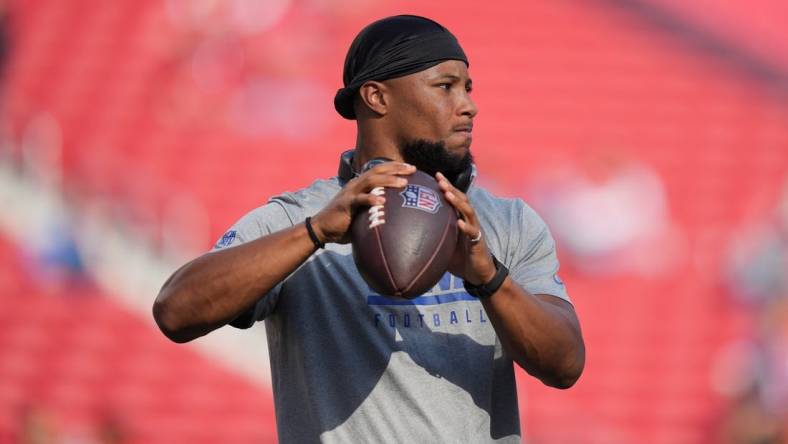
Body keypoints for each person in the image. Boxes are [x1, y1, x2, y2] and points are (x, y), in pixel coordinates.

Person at [153, 15, 585, 443]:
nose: (469, 105)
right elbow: (176, 311)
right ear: (377, 97)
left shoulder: (506, 222)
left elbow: (565, 365)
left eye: (468, 88)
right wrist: (315, 233)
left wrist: (489, 277)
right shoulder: (299, 218)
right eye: (445, 86)